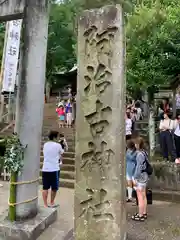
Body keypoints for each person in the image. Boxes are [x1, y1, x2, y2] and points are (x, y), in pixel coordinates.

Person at [42, 131, 64, 208]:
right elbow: (62, 152)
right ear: (54, 137)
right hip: (54, 168)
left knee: (45, 187)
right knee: (54, 188)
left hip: (45, 168)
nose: (58, 138)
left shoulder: (45, 144)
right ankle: (51, 202)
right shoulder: (58, 145)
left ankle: (45, 204)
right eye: (58, 137)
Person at [132, 137, 148, 222]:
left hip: (140, 177)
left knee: (140, 196)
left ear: (138, 144)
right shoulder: (144, 152)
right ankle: (144, 212)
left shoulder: (139, 154)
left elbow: (138, 167)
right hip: (145, 176)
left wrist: (135, 178)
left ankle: (140, 214)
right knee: (144, 195)